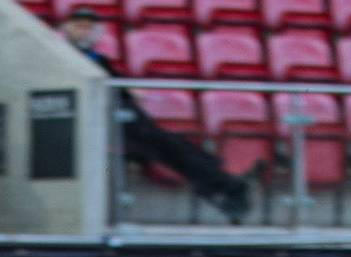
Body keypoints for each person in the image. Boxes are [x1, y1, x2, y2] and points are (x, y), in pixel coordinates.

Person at [59, 7, 252, 224]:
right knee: (166, 145)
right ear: (67, 29)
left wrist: (130, 92)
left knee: (171, 144)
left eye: (88, 27)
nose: (83, 31)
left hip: (124, 118)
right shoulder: (62, 57)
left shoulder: (100, 59)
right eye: (78, 26)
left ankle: (220, 181)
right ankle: (223, 182)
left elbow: (119, 87)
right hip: (102, 123)